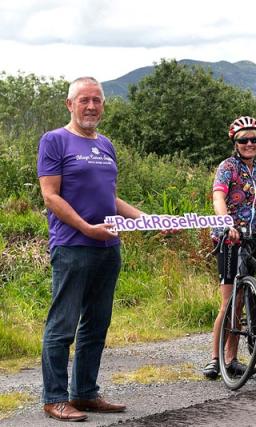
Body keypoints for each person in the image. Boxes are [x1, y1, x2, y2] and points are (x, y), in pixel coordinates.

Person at [37, 77, 140, 421]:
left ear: (103, 106)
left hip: (109, 248)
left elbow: (109, 197)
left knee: (97, 324)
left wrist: (145, 219)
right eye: (84, 100)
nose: (91, 106)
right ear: (70, 104)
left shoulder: (106, 145)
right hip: (73, 246)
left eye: (97, 100)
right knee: (62, 326)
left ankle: (84, 394)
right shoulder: (55, 140)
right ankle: (55, 398)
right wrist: (85, 227)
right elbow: (51, 195)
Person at [202, 116, 256, 380]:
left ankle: (232, 359)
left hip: (251, 238)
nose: (250, 143)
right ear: (235, 142)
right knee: (228, 301)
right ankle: (215, 359)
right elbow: (218, 197)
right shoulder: (227, 167)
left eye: (254, 139)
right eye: (244, 140)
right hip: (228, 238)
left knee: (242, 301)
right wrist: (226, 222)